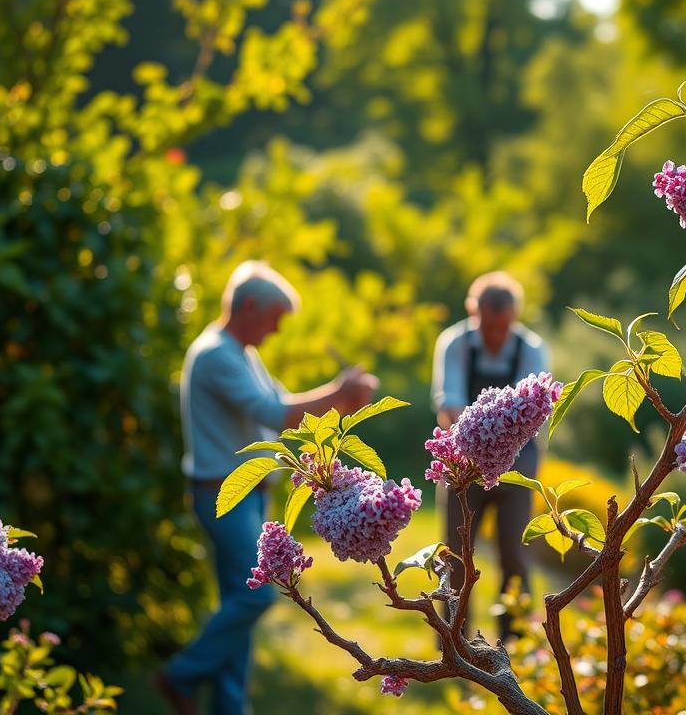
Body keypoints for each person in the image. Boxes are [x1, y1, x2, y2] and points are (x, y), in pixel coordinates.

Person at [154, 261, 377, 715]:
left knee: (238, 602)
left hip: (243, 496)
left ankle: (229, 707)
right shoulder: (216, 353)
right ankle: (180, 675)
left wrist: (341, 400)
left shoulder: (241, 354)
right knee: (255, 594)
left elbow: (286, 407)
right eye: (275, 318)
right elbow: (275, 414)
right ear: (250, 305)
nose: (276, 329)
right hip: (224, 495)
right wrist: (339, 390)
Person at [431, 271, 550, 641]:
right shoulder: (455, 343)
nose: (497, 334)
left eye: (503, 326)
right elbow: (449, 403)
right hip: (463, 461)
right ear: (474, 313)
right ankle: (454, 641)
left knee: (515, 555)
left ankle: (513, 642)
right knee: (454, 556)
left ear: (514, 317)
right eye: (488, 325)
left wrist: (498, 444)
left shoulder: (530, 347)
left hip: (518, 465)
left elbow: (532, 412)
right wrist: (477, 440)